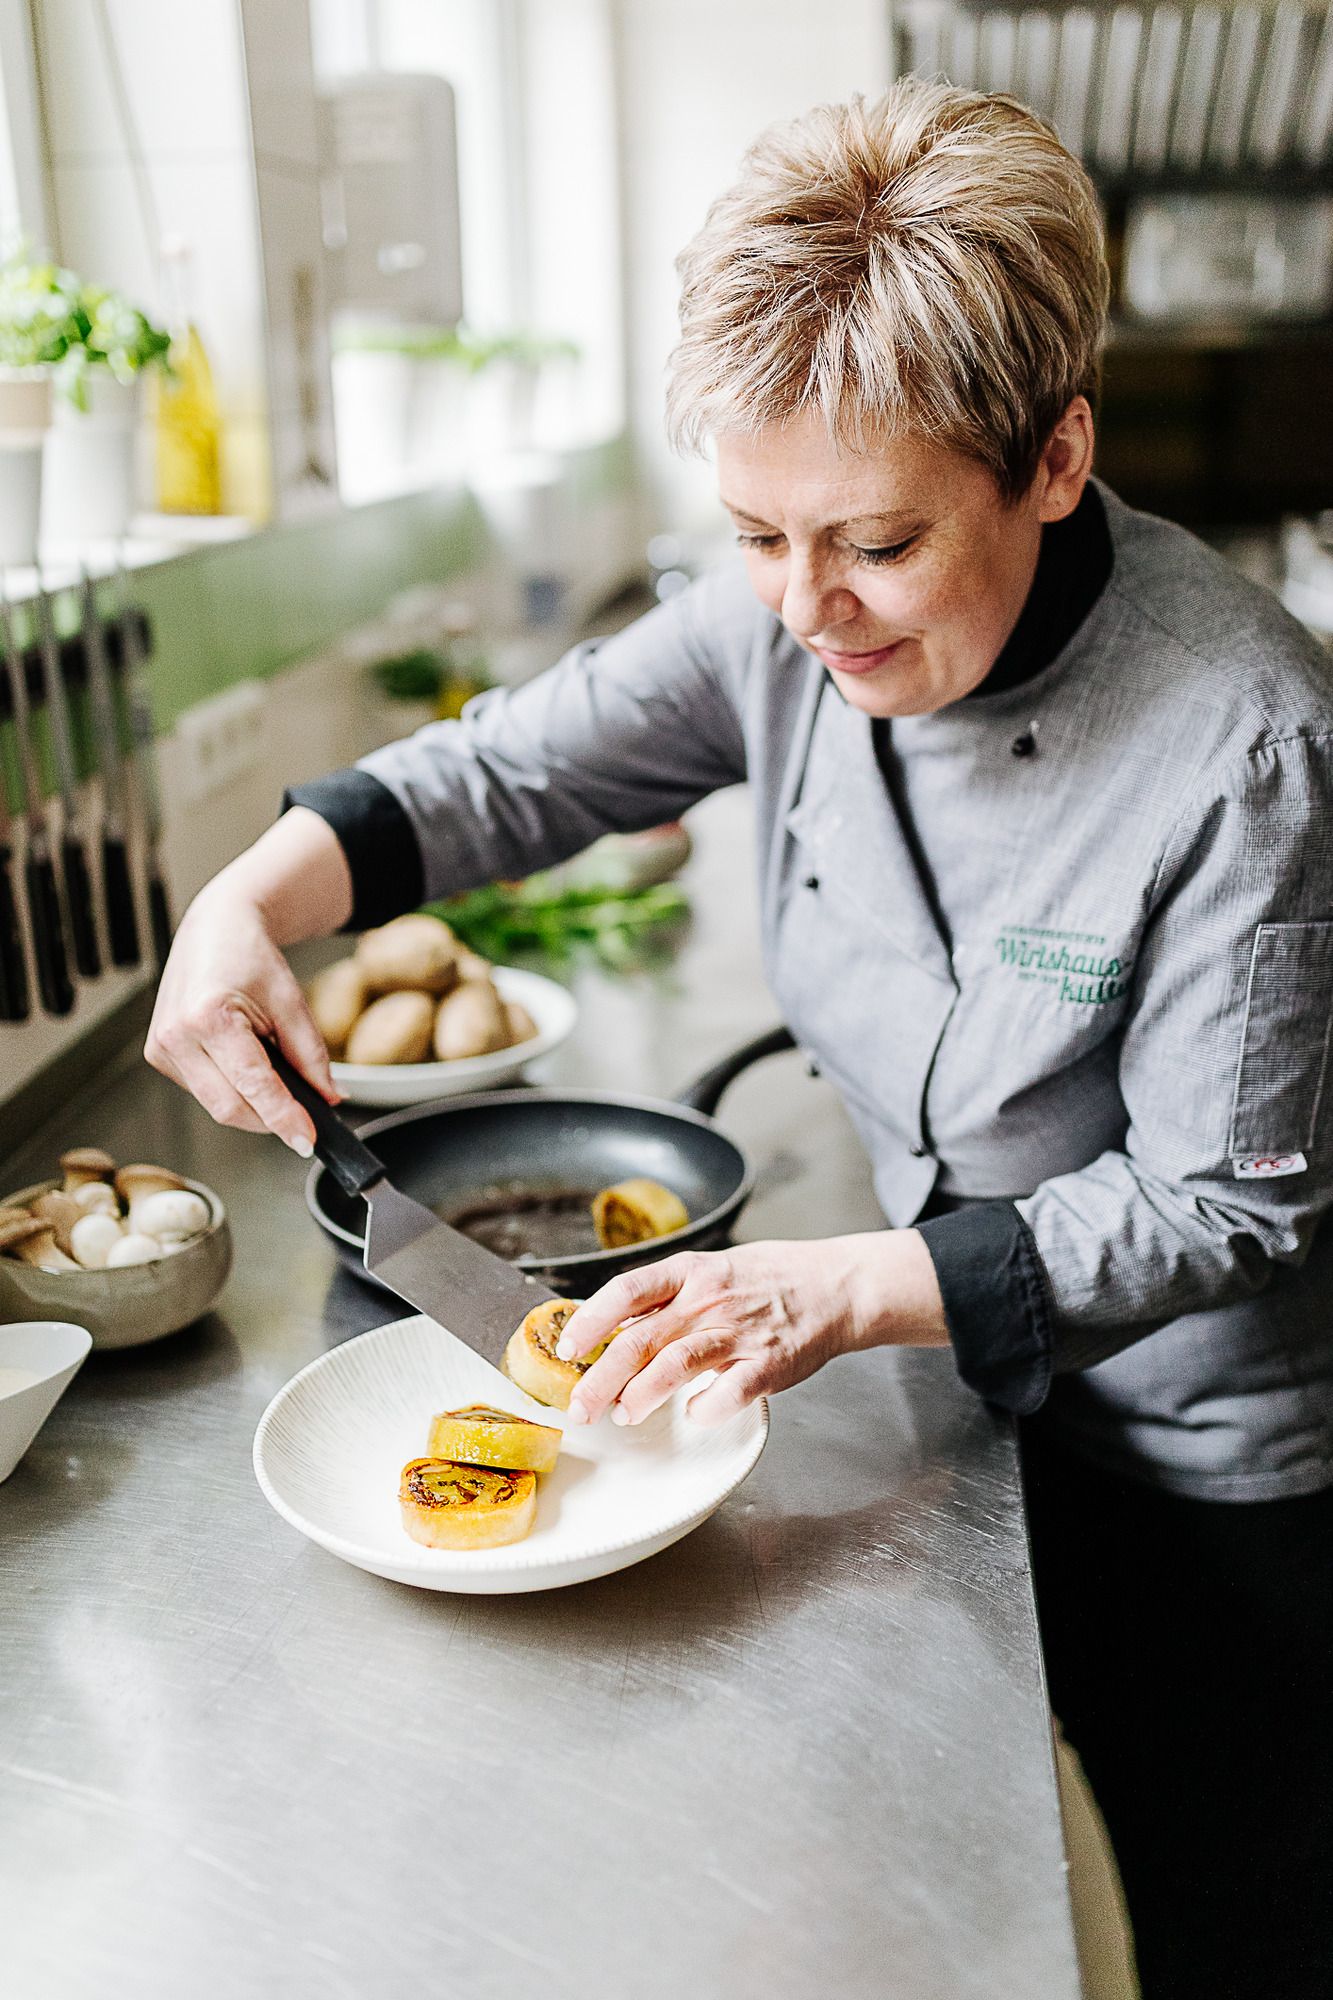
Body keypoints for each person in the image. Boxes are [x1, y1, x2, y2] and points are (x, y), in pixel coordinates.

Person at [147, 81, 1332, 1997]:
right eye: (754, 533)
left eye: (875, 542)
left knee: (1228, 1908)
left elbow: (1223, 1202)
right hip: (971, 1392)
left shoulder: (1246, 741)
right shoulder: (769, 619)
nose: (803, 611)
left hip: (1211, 1470)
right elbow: (510, 772)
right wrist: (247, 901)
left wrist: (833, 1289)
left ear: (1053, 455)